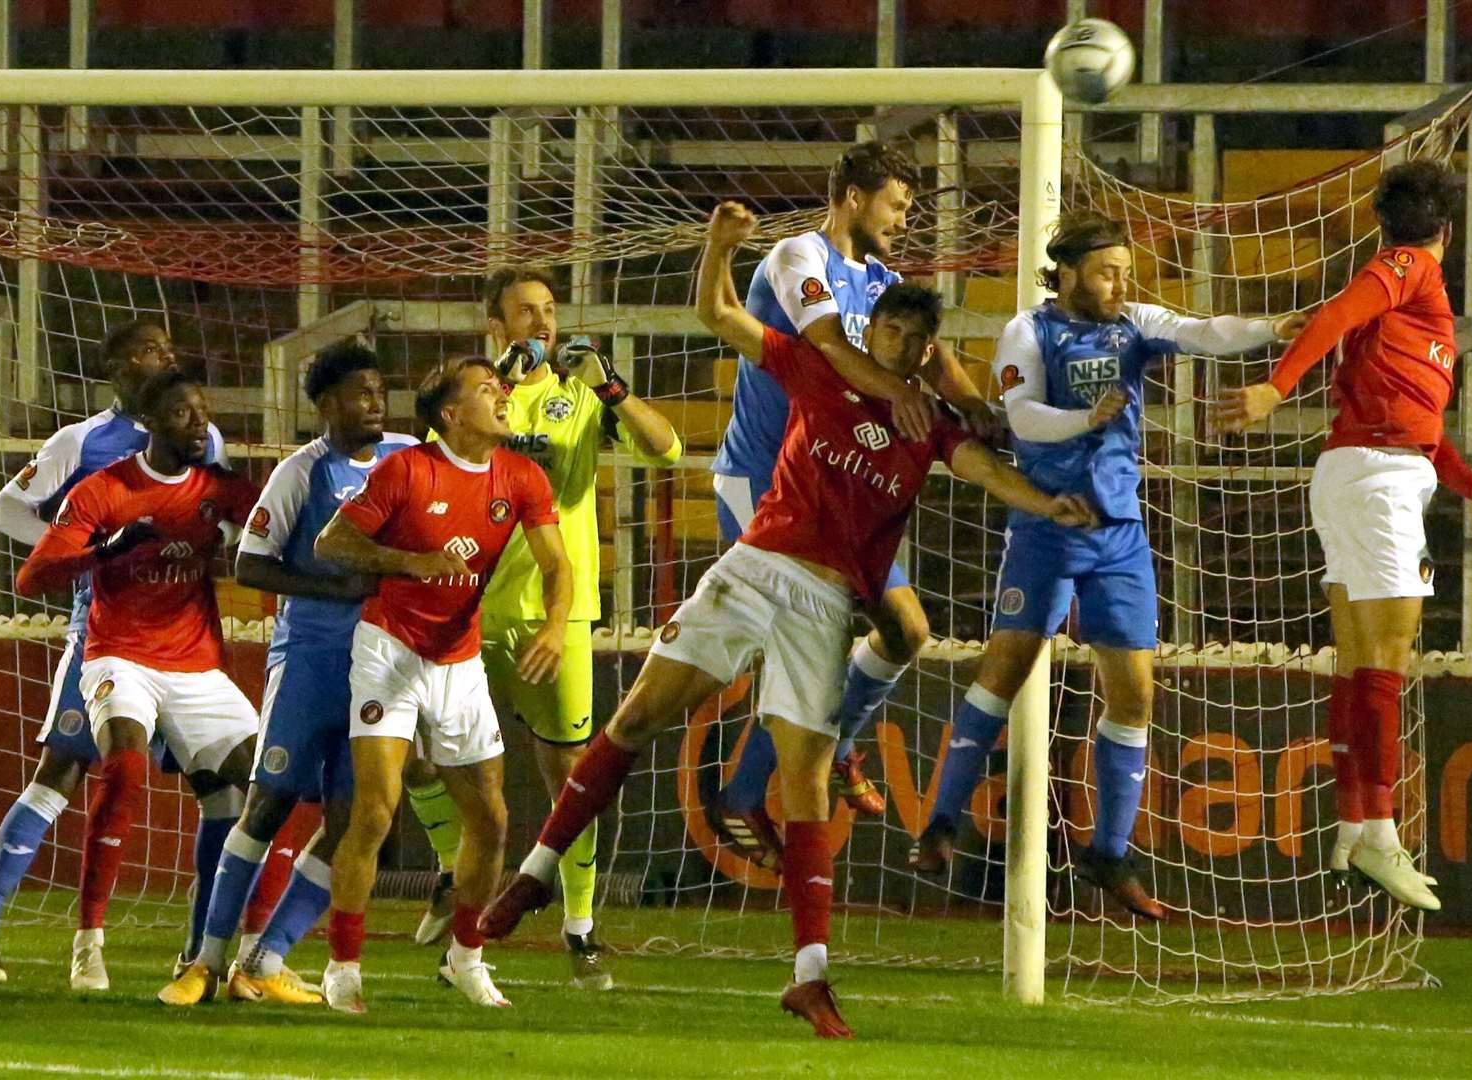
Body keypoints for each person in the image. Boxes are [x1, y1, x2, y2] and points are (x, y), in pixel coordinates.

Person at [479, 202, 1093, 1039]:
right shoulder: (816, 368)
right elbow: (719, 316)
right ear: (870, 331)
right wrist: (718, 244)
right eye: (895, 335)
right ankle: (536, 873)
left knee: (802, 785)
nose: (905, 351)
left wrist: (1048, 505)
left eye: (920, 343)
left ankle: (810, 976)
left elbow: (986, 471)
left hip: (823, 602)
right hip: (751, 567)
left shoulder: (929, 425)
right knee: (633, 721)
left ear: (927, 352)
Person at [910, 209, 1307, 924]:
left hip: (1119, 532)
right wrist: (1085, 419)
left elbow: (1201, 331)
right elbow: (1022, 416)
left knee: (1133, 695)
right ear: (1065, 272)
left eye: (1125, 271)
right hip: (1044, 521)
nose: (1119, 283)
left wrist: (1270, 329)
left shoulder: (1133, 325)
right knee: (1002, 671)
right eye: (1105, 271)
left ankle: (1109, 853)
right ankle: (940, 822)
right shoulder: (1027, 332)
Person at [1217, 161, 1472, 911]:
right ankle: (1380, 832)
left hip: (1362, 467)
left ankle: (1352, 817)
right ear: (1447, 229)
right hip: (1377, 479)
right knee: (1384, 657)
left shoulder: (1406, 302)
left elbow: (1416, 422)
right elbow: (1336, 313)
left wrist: (1469, 482)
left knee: (1355, 657)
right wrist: (1275, 387)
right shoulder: (1407, 269)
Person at [708, 141, 1003, 868]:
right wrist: (899, 392)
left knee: (905, 631)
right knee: (808, 644)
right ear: (852, 196)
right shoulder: (795, 257)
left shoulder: (883, 283)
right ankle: (747, 792)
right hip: (769, 483)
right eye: (897, 205)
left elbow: (932, 356)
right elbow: (825, 345)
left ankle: (825, 752)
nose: (903, 221)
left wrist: (975, 410)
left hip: (842, 488)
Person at [0, 322, 244, 991]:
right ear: (112, 368)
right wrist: (85, 557)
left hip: (183, 634)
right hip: (106, 633)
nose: (160, 358)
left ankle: (199, 951)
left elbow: (218, 515)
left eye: (167, 348)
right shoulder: (80, 443)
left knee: (220, 785)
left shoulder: (203, 437)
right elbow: (6, 511)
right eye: (144, 350)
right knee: (66, 768)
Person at [406, 267, 680, 992]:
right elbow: (419, 459)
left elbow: (667, 449)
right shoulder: (474, 395)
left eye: (549, 310)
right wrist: (494, 381)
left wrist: (611, 386)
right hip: (464, 606)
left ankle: (580, 928)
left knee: (570, 777)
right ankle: (447, 870)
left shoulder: (579, 393)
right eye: (525, 311)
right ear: (495, 325)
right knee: (412, 755)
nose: (542, 322)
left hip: (556, 616)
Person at [158, 342, 417, 1005]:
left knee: (357, 820)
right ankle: (205, 960)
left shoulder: (405, 457)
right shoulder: (302, 472)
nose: (374, 404)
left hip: (380, 666)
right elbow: (249, 563)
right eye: (360, 393)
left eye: (379, 391)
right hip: (309, 658)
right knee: (266, 804)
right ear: (326, 405)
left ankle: (267, 958)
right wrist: (340, 591)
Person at [312, 357, 570, 1014]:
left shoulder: (522, 475)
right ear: (451, 414)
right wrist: (411, 561)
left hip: (457, 658)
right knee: (374, 810)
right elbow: (331, 542)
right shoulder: (406, 471)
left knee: (491, 819)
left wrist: (556, 626)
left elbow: (556, 564)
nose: (503, 396)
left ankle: (465, 957)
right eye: (487, 390)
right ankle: (342, 964)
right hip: (389, 648)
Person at [10, 369, 263, 981]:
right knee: (124, 764)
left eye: (203, 412)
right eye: (182, 413)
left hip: (195, 662)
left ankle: (214, 954)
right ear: (150, 424)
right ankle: (89, 941)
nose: (199, 424)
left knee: (262, 791)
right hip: (118, 653)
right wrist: (108, 550)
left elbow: (274, 532)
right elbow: (31, 579)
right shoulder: (102, 491)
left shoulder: (224, 490)